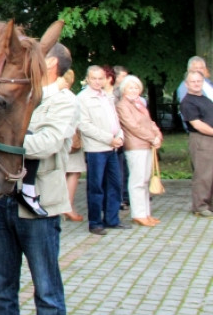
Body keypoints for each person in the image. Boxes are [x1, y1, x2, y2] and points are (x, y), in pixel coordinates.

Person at [0, 42, 74, 315]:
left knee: (47, 290)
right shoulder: (17, 95)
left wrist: (4, 139)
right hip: (2, 202)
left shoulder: (64, 101)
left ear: (51, 63)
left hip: (39, 208)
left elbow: (48, 143)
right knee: (2, 289)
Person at [77, 65, 129, 235]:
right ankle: (95, 222)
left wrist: (120, 136)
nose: (98, 82)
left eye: (101, 78)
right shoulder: (82, 98)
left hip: (112, 148)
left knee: (115, 184)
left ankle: (112, 219)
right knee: (96, 187)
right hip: (96, 149)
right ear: (88, 79)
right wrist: (109, 139)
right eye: (94, 78)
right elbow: (84, 125)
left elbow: (115, 120)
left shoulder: (107, 96)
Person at [115, 75, 163, 226]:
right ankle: (138, 214)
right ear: (124, 89)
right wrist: (151, 137)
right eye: (131, 87)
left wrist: (158, 135)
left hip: (147, 145)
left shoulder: (139, 104)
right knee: (137, 181)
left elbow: (150, 122)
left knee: (145, 180)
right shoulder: (122, 105)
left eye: (136, 87)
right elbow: (133, 126)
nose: (134, 90)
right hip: (135, 147)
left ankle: (146, 213)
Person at [180, 69, 213, 218]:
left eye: (199, 81)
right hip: (201, 139)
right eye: (193, 81)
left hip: (210, 137)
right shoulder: (188, 102)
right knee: (203, 174)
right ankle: (200, 206)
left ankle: (210, 204)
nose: (196, 84)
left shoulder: (205, 99)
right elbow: (198, 124)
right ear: (187, 84)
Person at [60, 69, 85, 222]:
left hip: (57, 140)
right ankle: (67, 206)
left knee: (61, 172)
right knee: (73, 172)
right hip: (70, 140)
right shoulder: (70, 97)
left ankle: (60, 206)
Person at [176, 57, 213, 132]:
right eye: (196, 68)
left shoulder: (208, 83)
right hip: (201, 131)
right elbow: (188, 112)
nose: (199, 70)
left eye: (201, 68)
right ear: (189, 70)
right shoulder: (185, 86)